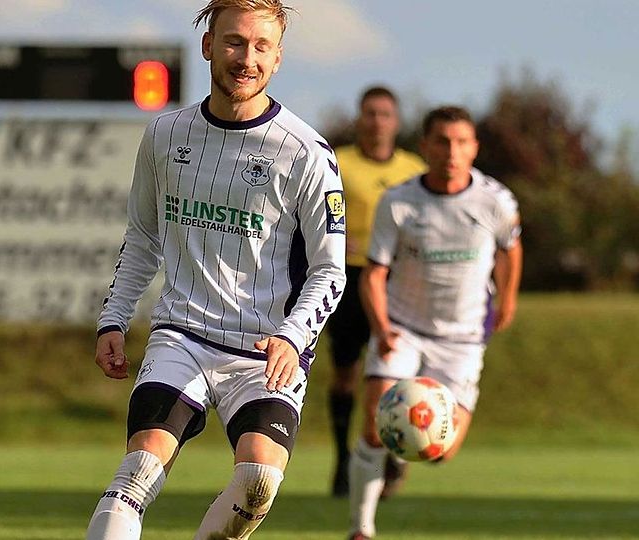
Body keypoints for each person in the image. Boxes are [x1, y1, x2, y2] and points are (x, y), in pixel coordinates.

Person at [86, 1, 346, 538]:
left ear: (277, 59)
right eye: (233, 42)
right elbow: (142, 238)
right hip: (181, 335)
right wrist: (113, 318)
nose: (244, 58)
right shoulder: (164, 135)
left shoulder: (306, 153)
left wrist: (293, 338)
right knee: (138, 470)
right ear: (208, 45)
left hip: (265, 350)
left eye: (260, 47)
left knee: (257, 480)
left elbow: (331, 270)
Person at [346, 106, 522, 540]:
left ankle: (402, 455)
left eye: (462, 142)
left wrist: (509, 297)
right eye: (442, 141)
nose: (452, 151)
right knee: (373, 425)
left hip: (461, 339)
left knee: (440, 452)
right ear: (424, 146)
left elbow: (510, 248)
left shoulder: (495, 201)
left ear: (474, 148)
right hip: (403, 328)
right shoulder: (400, 201)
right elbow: (374, 272)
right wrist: (383, 327)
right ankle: (361, 529)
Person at [324, 86, 426, 498]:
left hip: (396, 281)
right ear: (359, 117)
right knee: (346, 374)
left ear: (396, 121)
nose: (377, 121)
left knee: (395, 371)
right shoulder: (339, 162)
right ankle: (343, 459)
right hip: (348, 278)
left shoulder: (413, 169)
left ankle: (396, 454)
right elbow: (317, 211)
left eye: (385, 114)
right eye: (370, 113)